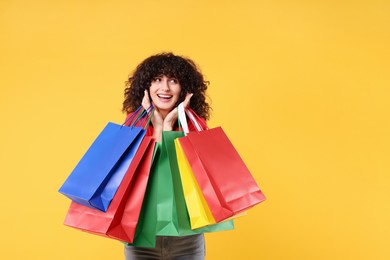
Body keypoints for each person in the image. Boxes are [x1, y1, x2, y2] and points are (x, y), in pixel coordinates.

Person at [122, 52, 211, 260]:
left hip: (187, 238)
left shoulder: (195, 128)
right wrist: (158, 125)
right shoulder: (133, 127)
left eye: (173, 81)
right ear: (146, 87)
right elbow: (146, 180)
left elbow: (178, 180)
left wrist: (168, 125)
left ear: (185, 89)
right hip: (141, 237)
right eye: (157, 80)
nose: (165, 88)